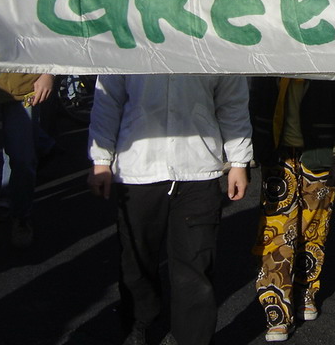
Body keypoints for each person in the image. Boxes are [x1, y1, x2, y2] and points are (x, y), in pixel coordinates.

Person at [88, 74, 252, 345]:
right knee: (136, 260)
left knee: (196, 265)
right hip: (139, 168)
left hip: (198, 168)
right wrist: (101, 159)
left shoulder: (214, 36)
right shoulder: (127, 36)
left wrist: (238, 160)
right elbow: (108, 99)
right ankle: (138, 324)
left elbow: (232, 99)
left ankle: (193, 338)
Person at [250, 77, 335, 343]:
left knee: (313, 228)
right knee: (276, 232)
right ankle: (277, 311)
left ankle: (305, 290)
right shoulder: (273, 43)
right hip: (278, 152)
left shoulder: (334, 45)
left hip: (319, 153)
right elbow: (255, 97)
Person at [0, 71, 55, 250]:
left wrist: (49, 73)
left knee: (23, 159)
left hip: (25, 86)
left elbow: (50, 42)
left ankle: (21, 216)